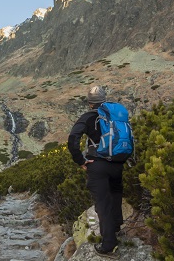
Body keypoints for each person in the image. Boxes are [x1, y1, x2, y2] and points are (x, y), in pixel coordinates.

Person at [67, 85, 124, 258]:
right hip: (117, 162)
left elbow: (72, 139)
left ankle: (108, 245)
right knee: (115, 196)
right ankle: (116, 228)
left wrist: (81, 161)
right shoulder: (115, 114)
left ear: (89, 103)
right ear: (104, 100)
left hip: (98, 165)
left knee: (103, 203)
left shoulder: (89, 116)